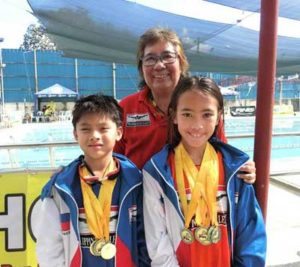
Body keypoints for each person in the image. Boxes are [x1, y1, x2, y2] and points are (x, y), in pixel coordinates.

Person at [142, 76, 266, 266]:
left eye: (207, 114)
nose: (197, 125)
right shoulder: (157, 172)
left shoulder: (235, 168)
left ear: (219, 117)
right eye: (187, 114)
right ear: (174, 115)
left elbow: (251, 232)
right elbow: (157, 241)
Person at [114, 27, 256, 184]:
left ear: (181, 63)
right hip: (140, 200)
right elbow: (113, 161)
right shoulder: (126, 107)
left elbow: (221, 154)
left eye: (167, 56)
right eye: (150, 59)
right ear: (141, 67)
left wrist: (243, 170)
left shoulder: (204, 106)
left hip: (191, 198)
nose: (159, 65)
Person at [35, 94, 150, 267]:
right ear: (75, 134)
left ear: (119, 132)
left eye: (103, 128)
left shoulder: (136, 183)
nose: (95, 136)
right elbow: (49, 249)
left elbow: (145, 241)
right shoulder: (60, 189)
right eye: (86, 129)